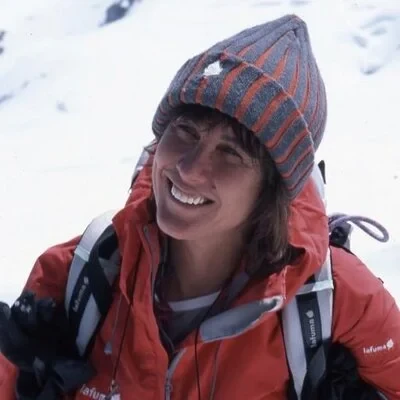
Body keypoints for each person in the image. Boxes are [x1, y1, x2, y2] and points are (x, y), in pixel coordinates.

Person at [1, 14, 400, 400]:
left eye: (231, 153)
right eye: (185, 131)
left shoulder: (337, 299)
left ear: (272, 190)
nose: (189, 169)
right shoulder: (77, 276)